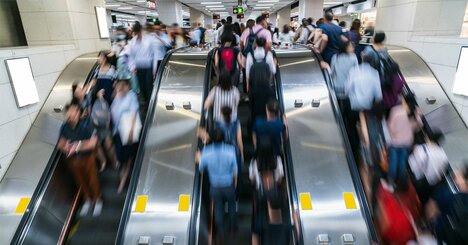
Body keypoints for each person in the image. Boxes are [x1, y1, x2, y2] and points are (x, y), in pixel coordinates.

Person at [57, 103, 102, 216]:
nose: (71, 114)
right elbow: (60, 144)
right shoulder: (64, 127)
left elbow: (93, 143)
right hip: (73, 159)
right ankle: (87, 200)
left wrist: (76, 147)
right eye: (69, 112)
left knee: (92, 179)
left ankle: (97, 200)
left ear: (79, 113)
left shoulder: (86, 124)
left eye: (74, 111)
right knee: (80, 181)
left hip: (88, 157)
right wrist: (66, 149)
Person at [197, 128, 238, 240]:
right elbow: (235, 170)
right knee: (232, 205)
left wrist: (200, 158)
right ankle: (233, 227)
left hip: (214, 186)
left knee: (218, 207)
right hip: (228, 184)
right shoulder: (231, 150)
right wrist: (234, 184)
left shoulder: (206, 152)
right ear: (224, 138)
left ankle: (220, 231)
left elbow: (201, 168)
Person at [249, 136, 286, 245]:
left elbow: (253, 180)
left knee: (260, 218)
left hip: (261, 194)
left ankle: (260, 233)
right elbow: (280, 179)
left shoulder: (254, 162)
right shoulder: (277, 160)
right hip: (274, 194)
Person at [111, 79, 140, 193]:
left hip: (128, 131)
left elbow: (134, 113)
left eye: (121, 86)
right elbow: (113, 112)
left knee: (127, 159)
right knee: (121, 158)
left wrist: (131, 132)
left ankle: (122, 183)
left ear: (126, 86)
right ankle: (123, 177)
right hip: (118, 131)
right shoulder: (117, 97)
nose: (119, 88)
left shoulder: (131, 96)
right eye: (117, 86)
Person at [386, 97, 423, 188]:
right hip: (407, 142)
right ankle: (401, 182)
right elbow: (419, 127)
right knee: (402, 162)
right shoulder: (416, 114)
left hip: (395, 141)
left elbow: (390, 127)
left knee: (393, 162)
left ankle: (390, 182)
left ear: (405, 101)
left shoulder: (396, 111)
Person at [330, 40, 358, 141]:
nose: (353, 48)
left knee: (338, 112)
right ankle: (349, 135)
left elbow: (331, 73)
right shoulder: (353, 57)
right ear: (345, 47)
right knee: (350, 116)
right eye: (351, 46)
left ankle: (338, 133)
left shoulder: (335, 57)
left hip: (336, 88)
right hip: (349, 90)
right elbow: (356, 74)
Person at [127, 21, 158, 110]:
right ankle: (145, 103)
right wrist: (132, 67)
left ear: (141, 30)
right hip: (138, 68)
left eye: (139, 32)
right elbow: (131, 56)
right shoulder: (132, 42)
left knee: (149, 87)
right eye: (136, 33)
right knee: (141, 87)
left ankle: (151, 106)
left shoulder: (149, 40)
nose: (138, 34)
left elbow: (154, 55)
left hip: (148, 67)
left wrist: (154, 70)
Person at [91, 89, 117, 172]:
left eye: (103, 93)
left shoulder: (104, 102)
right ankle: (103, 162)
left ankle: (115, 162)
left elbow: (107, 114)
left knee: (108, 145)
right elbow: (94, 117)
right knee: (96, 145)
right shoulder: (95, 103)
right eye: (100, 92)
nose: (102, 94)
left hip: (105, 128)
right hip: (96, 129)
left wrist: (100, 115)